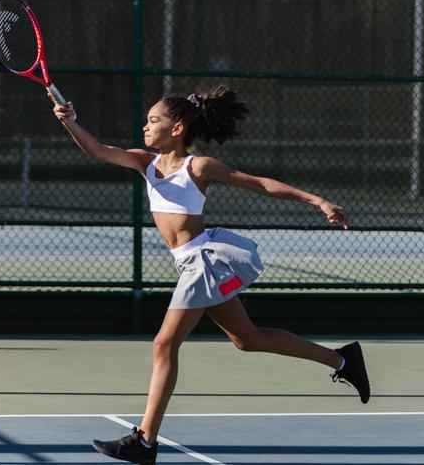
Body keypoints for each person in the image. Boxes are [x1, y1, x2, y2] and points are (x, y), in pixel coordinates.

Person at [49, 85, 370, 465]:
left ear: (178, 127)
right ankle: (342, 360)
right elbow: (97, 150)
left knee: (164, 345)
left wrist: (317, 201)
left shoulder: (197, 167)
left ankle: (145, 440)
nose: (146, 126)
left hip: (203, 263)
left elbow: (260, 183)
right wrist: (72, 123)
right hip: (191, 265)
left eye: (154, 121)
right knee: (247, 339)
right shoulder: (144, 163)